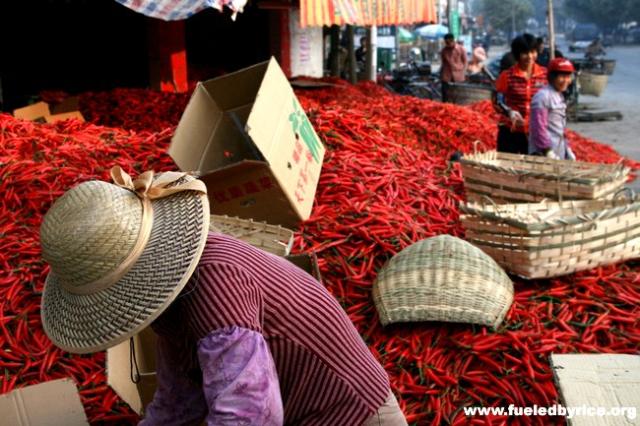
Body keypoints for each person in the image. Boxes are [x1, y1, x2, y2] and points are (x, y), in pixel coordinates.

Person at [39, 167, 408, 425]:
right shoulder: (175, 299)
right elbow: (178, 398)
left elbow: (249, 414)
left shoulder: (217, 287)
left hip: (351, 417)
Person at [493, 33, 548, 154]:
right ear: (517, 55)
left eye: (533, 52)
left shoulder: (545, 75)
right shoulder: (507, 76)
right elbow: (497, 100)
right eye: (525, 53)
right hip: (511, 132)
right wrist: (509, 112)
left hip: (537, 132)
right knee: (508, 168)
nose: (529, 57)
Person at [529, 58, 577, 160]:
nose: (566, 81)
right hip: (543, 154)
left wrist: (567, 148)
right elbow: (538, 127)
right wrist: (547, 151)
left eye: (568, 77)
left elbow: (560, 128)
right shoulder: (543, 97)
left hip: (558, 151)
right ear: (552, 77)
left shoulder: (559, 95)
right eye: (562, 77)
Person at [440, 33, 467, 102]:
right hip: (447, 76)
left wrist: (463, 72)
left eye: (449, 42)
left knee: (458, 96)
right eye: (446, 42)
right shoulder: (444, 51)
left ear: (453, 40)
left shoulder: (461, 49)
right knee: (446, 95)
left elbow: (465, 61)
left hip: (458, 76)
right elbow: (443, 63)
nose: (448, 44)